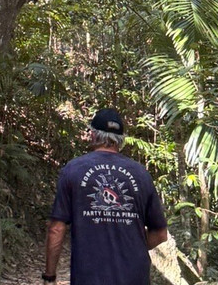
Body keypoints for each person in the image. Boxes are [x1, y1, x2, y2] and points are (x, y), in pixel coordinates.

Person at [42, 108, 168, 284]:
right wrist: (129, 250)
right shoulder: (141, 175)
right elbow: (161, 234)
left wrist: (50, 276)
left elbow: (56, 228)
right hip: (134, 277)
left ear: (93, 135)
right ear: (121, 140)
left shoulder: (73, 170)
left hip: (90, 277)